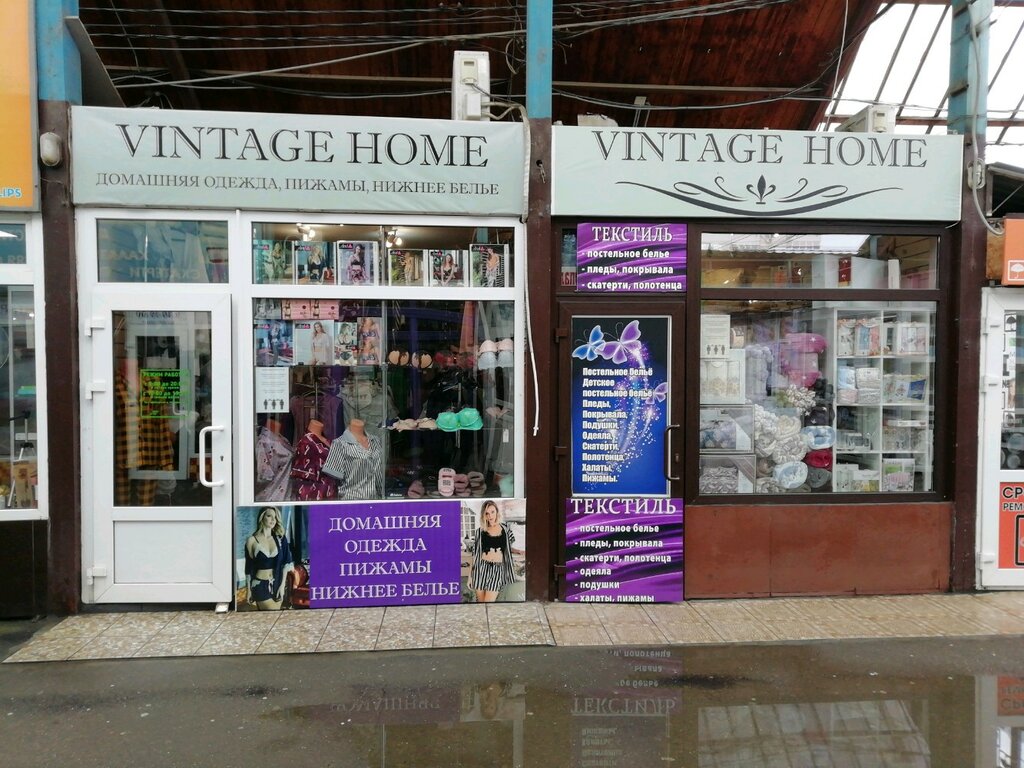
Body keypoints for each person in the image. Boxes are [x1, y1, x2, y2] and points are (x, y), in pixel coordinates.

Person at [468, 500, 520, 602]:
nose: (490, 516)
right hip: (480, 569)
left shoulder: (506, 529)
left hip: (497, 569)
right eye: (487, 513)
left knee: (488, 603)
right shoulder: (480, 532)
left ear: (497, 512)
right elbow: (474, 555)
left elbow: (509, 548)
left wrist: (519, 551)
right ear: (484, 515)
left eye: (492, 512)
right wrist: (470, 577)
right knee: (481, 604)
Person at [244, 506, 293, 610]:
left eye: (275, 517)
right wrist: (248, 590)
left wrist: (282, 586)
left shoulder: (280, 538)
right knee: (273, 612)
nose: (273, 520)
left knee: (273, 615)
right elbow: (248, 568)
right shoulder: (252, 540)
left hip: (277, 584)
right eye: (269, 516)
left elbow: (286, 563)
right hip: (259, 585)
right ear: (262, 517)